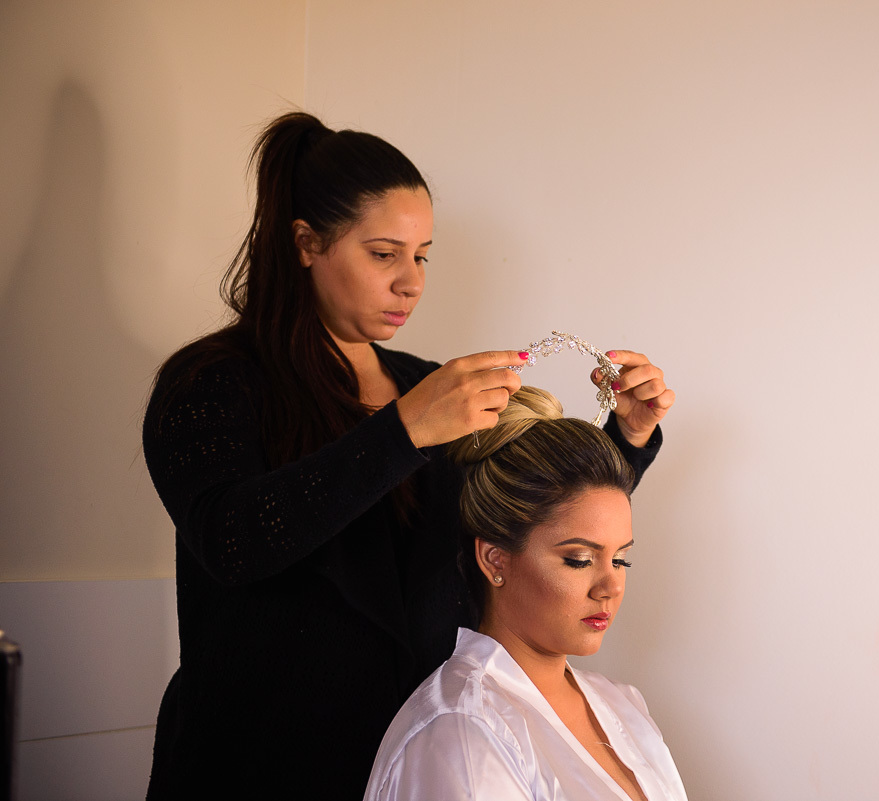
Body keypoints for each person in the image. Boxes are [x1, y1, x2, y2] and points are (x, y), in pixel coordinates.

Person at [141, 111, 674, 800]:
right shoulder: (211, 384)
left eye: (422, 256)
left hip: (418, 762)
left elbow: (526, 518)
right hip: (253, 767)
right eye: (384, 253)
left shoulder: (429, 385)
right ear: (307, 243)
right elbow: (234, 541)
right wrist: (402, 431)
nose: (411, 282)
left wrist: (626, 439)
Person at [364, 387, 688, 801]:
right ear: (495, 560)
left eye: (620, 560)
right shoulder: (460, 734)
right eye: (579, 559)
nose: (612, 587)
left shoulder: (622, 703)